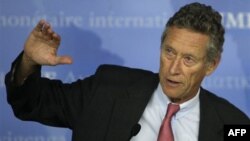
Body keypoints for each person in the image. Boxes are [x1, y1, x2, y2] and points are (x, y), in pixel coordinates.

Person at [5, 2, 249, 141]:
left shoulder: (234, 125)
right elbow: (31, 103)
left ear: (212, 65)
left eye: (188, 59)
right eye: (169, 52)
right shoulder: (107, 89)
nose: (173, 69)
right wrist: (28, 62)